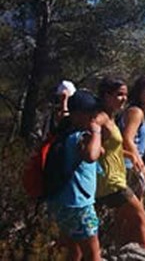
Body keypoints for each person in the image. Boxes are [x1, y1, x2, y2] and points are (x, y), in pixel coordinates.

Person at [47, 90, 103, 261]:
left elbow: (99, 150)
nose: (95, 116)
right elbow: (92, 156)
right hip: (80, 204)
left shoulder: (65, 133)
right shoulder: (82, 135)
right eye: (91, 112)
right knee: (93, 253)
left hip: (61, 201)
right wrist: (97, 132)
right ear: (79, 114)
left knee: (74, 251)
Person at [94, 77, 145, 248]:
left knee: (126, 219)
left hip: (115, 178)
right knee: (140, 216)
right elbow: (94, 144)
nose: (124, 99)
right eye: (119, 95)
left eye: (125, 95)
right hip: (110, 182)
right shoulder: (100, 119)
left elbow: (111, 147)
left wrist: (130, 155)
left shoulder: (110, 118)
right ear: (106, 95)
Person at [119, 75, 145, 200]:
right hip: (129, 167)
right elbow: (127, 139)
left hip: (129, 166)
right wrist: (141, 167)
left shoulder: (137, 112)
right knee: (139, 217)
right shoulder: (136, 112)